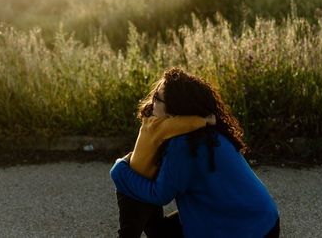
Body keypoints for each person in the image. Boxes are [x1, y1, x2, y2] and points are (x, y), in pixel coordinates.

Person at [111, 67, 280, 238]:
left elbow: (159, 194)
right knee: (163, 228)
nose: (151, 102)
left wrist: (120, 170)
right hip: (264, 219)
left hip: (245, 230)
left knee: (160, 232)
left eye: (156, 98)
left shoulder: (182, 145)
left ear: (174, 112)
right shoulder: (208, 130)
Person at [115, 79, 217, 238]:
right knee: (129, 232)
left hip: (147, 186)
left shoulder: (160, 122)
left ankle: (191, 218)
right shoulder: (155, 124)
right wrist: (204, 120)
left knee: (156, 229)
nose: (153, 101)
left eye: (158, 99)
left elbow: (176, 123)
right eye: (154, 96)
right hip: (131, 190)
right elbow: (177, 125)